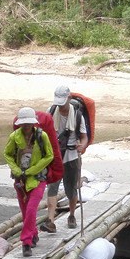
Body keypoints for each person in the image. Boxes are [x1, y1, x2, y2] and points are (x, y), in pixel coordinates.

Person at [4, 107, 55, 257]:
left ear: (33, 123)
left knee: (31, 209)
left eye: (28, 123)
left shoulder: (42, 136)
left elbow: (49, 156)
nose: (26, 126)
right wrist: (16, 170)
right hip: (20, 181)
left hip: (38, 179)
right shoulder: (14, 137)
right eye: (24, 124)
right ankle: (34, 234)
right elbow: (7, 154)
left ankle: (26, 242)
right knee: (25, 211)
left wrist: (32, 170)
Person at [42, 85, 88, 232]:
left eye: (62, 102)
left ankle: (72, 215)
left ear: (69, 98)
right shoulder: (51, 112)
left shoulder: (77, 116)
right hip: (55, 156)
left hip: (72, 157)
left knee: (71, 189)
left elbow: (84, 137)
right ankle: (50, 221)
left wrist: (82, 146)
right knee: (52, 188)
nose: (60, 106)